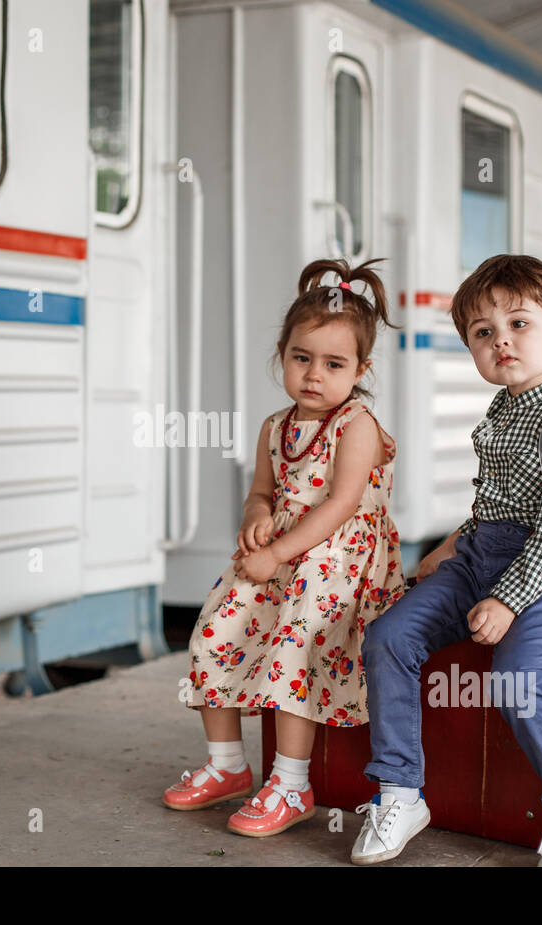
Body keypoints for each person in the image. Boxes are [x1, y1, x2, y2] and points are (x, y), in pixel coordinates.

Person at [351, 254, 542, 867]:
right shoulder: (502, 412)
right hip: (479, 557)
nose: (502, 342)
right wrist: (451, 545)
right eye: (483, 333)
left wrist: (509, 599)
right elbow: (496, 504)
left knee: (517, 675)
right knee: (389, 637)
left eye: (520, 324)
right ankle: (400, 791)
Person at [163, 257, 409, 837]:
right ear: (282, 356)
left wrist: (278, 554)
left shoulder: (358, 424)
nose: (313, 375)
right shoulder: (276, 426)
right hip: (280, 555)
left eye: (333, 363)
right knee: (215, 629)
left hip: (340, 561)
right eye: (301, 358)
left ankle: (292, 784)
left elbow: (341, 504)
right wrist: (256, 517)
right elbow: (261, 491)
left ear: (361, 369)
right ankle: (227, 766)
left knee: (292, 649)